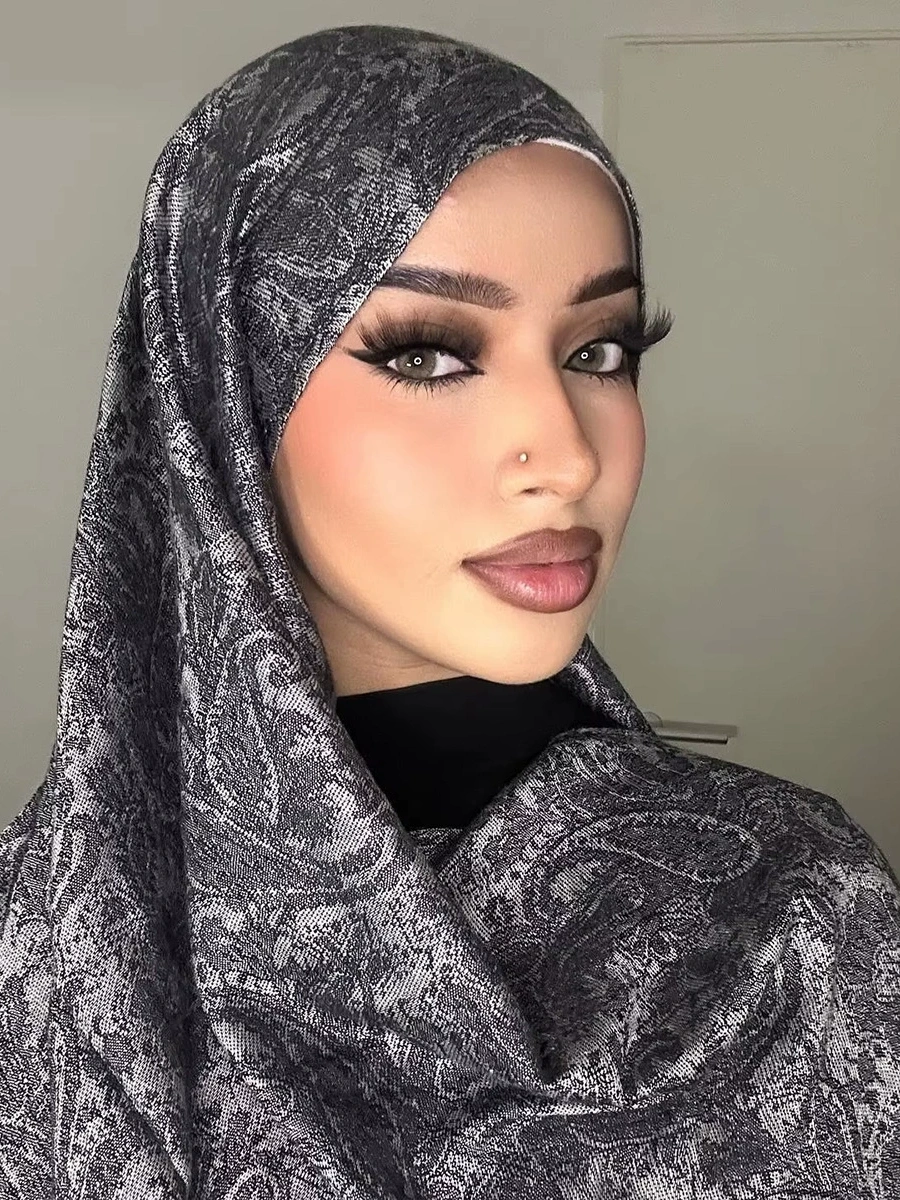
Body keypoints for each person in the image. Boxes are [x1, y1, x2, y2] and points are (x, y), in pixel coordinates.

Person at [1, 23, 897, 1199]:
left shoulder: (804, 910)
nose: (567, 457)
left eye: (601, 349)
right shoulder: (51, 946)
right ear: (225, 393)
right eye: (429, 355)